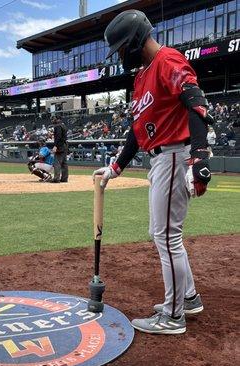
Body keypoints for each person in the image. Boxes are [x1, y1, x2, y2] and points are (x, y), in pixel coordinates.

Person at [93, 10, 213, 335]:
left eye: (120, 48)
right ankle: (187, 298)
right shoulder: (143, 76)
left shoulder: (166, 60)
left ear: (132, 41)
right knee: (164, 233)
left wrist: (199, 154)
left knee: (166, 236)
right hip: (160, 158)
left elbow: (195, 102)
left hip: (174, 153)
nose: (120, 56)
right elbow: (137, 129)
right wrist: (116, 166)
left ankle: (173, 317)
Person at [51, 116, 68, 183]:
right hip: (65, 145)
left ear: (58, 119)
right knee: (64, 163)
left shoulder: (57, 126)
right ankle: (64, 178)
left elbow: (58, 137)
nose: (53, 120)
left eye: (54, 119)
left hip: (60, 146)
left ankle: (56, 178)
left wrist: (55, 146)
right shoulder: (63, 125)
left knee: (57, 162)